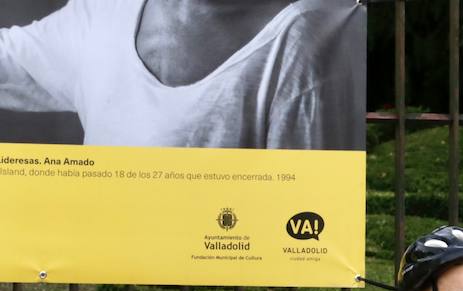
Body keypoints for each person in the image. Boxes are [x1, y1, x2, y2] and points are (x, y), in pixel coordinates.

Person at [0, 0, 363, 149]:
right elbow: (10, 62)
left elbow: (304, 230)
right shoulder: (107, 11)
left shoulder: (304, 35)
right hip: (114, 290)